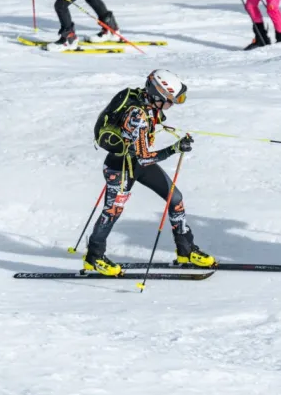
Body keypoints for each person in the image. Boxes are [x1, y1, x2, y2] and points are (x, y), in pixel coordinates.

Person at [85, 70, 214, 276]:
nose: (172, 105)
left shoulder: (148, 106)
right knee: (112, 212)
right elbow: (145, 157)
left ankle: (186, 250)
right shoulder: (138, 115)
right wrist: (175, 148)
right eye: (171, 101)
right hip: (120, 168)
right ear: (157, 96)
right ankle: (94, 257)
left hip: (138, 165)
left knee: (175, 198)